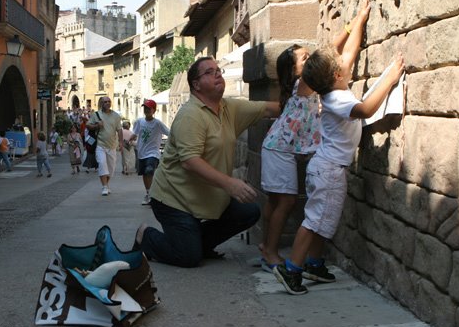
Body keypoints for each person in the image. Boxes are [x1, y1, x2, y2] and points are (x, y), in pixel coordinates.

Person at [274, 0, 406, 294]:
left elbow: (349, 51)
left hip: (324, 167)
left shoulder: (332, 87)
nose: (347, 64)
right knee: (314, 220)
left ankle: (313, 263)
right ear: (337, 75)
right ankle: (292, 269)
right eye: (342, 67)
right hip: (329, 170)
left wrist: (359, 19)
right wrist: (391, 77)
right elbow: (367, 109)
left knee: (322, 216)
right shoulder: (338, 99)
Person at [132, 57, 280, 268]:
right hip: (174, 200)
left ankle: (195, 242)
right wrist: (230, 183)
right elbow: (190, 162)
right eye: (210, 72)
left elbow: (267, 109)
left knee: (249, 213)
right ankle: (146, 236)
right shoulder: (190, 115)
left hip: (208, 200)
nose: (218, 73)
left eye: (218, 70)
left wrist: (305, 104)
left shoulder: (228, 108)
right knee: (189, 258)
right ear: (196, 84)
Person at [259, 44, 320, 273]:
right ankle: (271, 253)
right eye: (304, 58)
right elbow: (329, 53)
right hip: (279, 150)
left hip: (277, 147)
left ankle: (266, 246)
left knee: (275, 201)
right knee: (286, 202)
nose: (310, 59)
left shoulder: (299, 86)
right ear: (294, 70)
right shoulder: (302, 84)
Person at [130, 99, 170, 205]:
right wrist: (128, 140)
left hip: (153, 153)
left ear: (154, 110)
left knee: (149, 170)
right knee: (144, 174)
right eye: (145, 108)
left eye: (149, 108)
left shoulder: (158, 123)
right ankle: (148, 193)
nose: (147, 110)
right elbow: (135, 133)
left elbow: (169, 133)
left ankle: (153, 194)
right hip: (142, 153)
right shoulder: (139, 121)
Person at [88, 96, 123, 196]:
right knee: (102, 164)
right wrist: (96, 126)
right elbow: (88, 125)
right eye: (105, 102)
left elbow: (119, 130)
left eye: (109, 101)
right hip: (100, 145)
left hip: (112, 146)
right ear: (101, 104)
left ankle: (106, 185)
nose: (107, 103)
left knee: (111, 169)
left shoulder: (116, 116)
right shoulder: (96, 115)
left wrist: (121, 142)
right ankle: (104, 187)